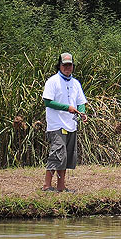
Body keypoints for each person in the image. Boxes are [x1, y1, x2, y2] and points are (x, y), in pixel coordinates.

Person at [41, 52, 88, 192]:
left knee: (66, 156)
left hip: (71, 125)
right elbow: (47, 102)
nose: (67, 68)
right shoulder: (52, 81)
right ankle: (47, 185)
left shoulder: (75, 83)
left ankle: (61, 186)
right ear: (59, 66)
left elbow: (81, 102)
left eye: (70, 65)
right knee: (57, 153)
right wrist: (67, 108)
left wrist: (82, 112)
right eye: (64, 65)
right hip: (56, 125)